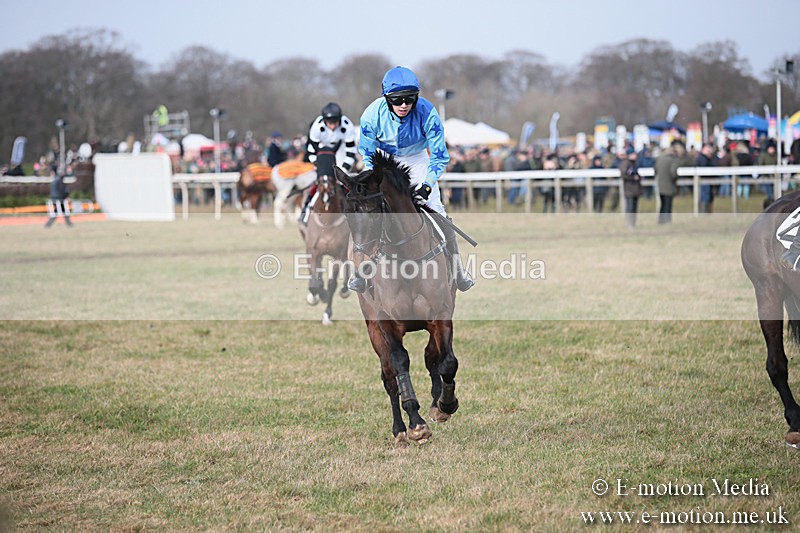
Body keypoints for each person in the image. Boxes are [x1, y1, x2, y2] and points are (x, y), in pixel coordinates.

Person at [349, 65, 473, 293]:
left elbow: (438, 156)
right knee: (370, 211)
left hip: (417, 160)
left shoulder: (428, 113)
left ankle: (457, 270)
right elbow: (367, 153)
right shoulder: (371, 115)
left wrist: (427, 185)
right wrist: (375, 179)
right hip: (384, 159)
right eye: (397, 100)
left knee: (437, 209)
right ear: (386, 98)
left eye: (409, 99)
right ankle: (360, 271)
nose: (404, 105)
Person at [298, 102, 357, 224]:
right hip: (322, 152)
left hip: (340, 151)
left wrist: (344, 171)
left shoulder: (348, 126)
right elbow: (311, 150)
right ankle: (306, 209)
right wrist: (319, 166)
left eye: (335, 122)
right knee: (320, 181)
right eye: (330, 123)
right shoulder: (316, 127)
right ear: (324, 121)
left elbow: (350, 151)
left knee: (343, 182)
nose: (333, 126)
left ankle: (352, 211)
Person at [619, 150, 641, 228]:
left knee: (634, 208)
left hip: (635, 189)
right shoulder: (625, 163)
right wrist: (633, 178)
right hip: (629, 189)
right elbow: (624, 175)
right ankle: (629, 223)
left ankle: (633, 223)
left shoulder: (634, 163)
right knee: (630, 207)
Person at [696, 142, 718, 213]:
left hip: (708, 180)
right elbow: (704, 166)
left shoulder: (709, 158)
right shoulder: (702, 158)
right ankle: (704, 212)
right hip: (704, 180)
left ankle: (707, 211)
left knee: (709, 197)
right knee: (705, 196)